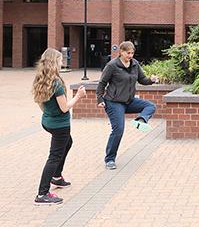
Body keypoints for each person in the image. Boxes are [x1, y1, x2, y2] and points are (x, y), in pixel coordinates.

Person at [32, 48, 86, 205]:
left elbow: (39, 102)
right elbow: (64, 107)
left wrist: (48, 114)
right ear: (55, 62)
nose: (62, 62)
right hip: (60, 126)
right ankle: (42, 194)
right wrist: (78, 96)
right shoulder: (56, 83)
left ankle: (56, 177)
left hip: (47, 122)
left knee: (68, 143)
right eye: (61, 60)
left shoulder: (41, 79)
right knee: (54, 156)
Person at [96, 41, 158, 170]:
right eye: (128, 53)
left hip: (129, 101)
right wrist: (100, 99)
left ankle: (141, 120)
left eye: (132, 53)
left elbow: (142, 80)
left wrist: (151, 80)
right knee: (118, 130)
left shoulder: (135, 64)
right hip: (113, 102)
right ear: (121, 52)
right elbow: (102, 83)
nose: (130, 55)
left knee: (150, 106)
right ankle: (110, 159)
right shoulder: (112, 65)